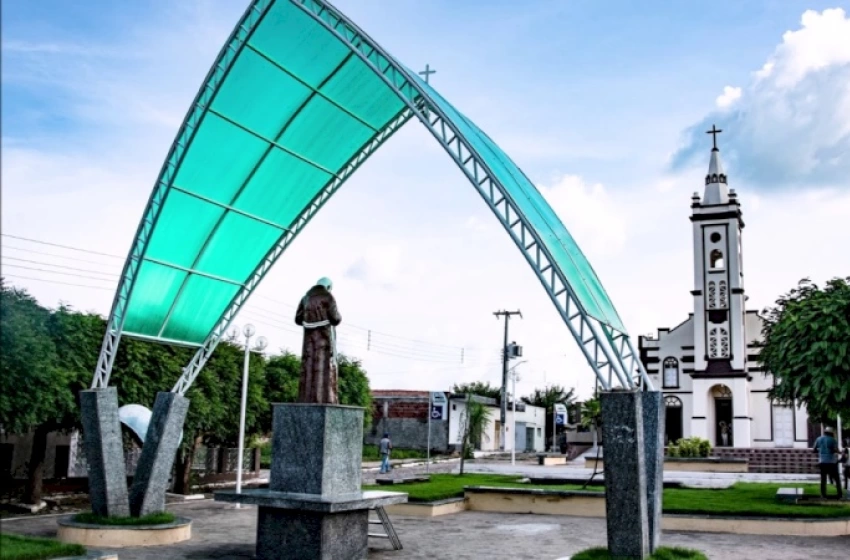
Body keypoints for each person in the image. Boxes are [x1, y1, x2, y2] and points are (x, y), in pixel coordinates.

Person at [294, 277, 342, 404]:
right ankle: (324, 399)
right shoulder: (328, 297)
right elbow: (336, 319)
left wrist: (309, 319)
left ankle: (305, 399)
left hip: (308, 340)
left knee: (308, 366)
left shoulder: (305, 298)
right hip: (324, 338)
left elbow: (297, 319)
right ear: (328, 287)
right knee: (324, 367)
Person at [813, 427, 843, 499]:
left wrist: (821, 451)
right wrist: (840, 452)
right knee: (837, 479)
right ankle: (839, 494)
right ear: (831, 433)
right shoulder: (832, 440)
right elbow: (835, 450)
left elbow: (814, 450)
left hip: (822, 462)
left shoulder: (818, 439)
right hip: (831, 462)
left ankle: (823, 495)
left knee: (823, 479)